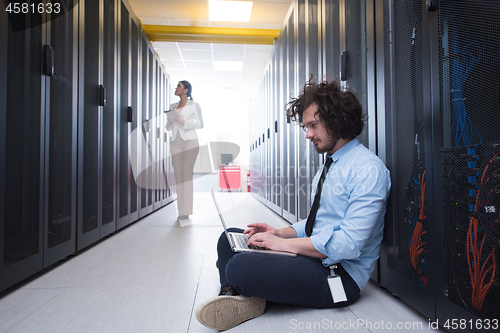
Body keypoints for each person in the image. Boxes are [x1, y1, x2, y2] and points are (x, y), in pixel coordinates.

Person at [195, 78, 391, 331]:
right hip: (314, 258)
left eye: (313, 125)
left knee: (240, 265)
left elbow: (349, 245)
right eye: (306, 126)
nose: (308, 134)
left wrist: (284, 245)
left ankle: (238, 285)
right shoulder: (331, 164)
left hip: (339, 276)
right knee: (230, 237)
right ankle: (236, 294)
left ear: (338, 121)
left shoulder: (368, 170)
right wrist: (278, 233)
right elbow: (316, 223)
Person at [166, 80, 204, 220]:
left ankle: (186, 211)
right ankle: (180, 210)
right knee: (178, 175)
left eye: (179, 86)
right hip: (175, 141)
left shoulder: (194, 105)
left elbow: (200, 124)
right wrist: (170, 122)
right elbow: (168, 127)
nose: (176, 88)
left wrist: (184, 122)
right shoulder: (172, 106)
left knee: (186, 175)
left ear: (186, 90)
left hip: (190, 141)